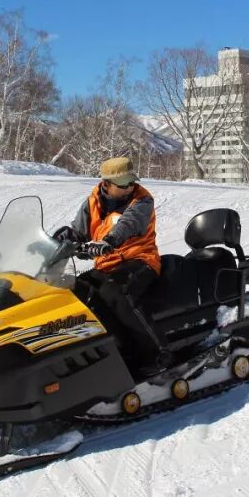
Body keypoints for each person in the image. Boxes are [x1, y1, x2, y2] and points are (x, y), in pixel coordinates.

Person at [52, 157, 169, 378]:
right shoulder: (92, 202)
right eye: (124, 184)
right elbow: (78, 232)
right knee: (77, 291)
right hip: (108, 265)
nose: (130, 187)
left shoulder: (142, 200)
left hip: (141, 260)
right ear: (106, 184)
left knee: (117, 291)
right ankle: (107, 351)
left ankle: (157, 352)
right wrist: (54, 242)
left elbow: (129, 223)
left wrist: (109, 241)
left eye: (131, 182)